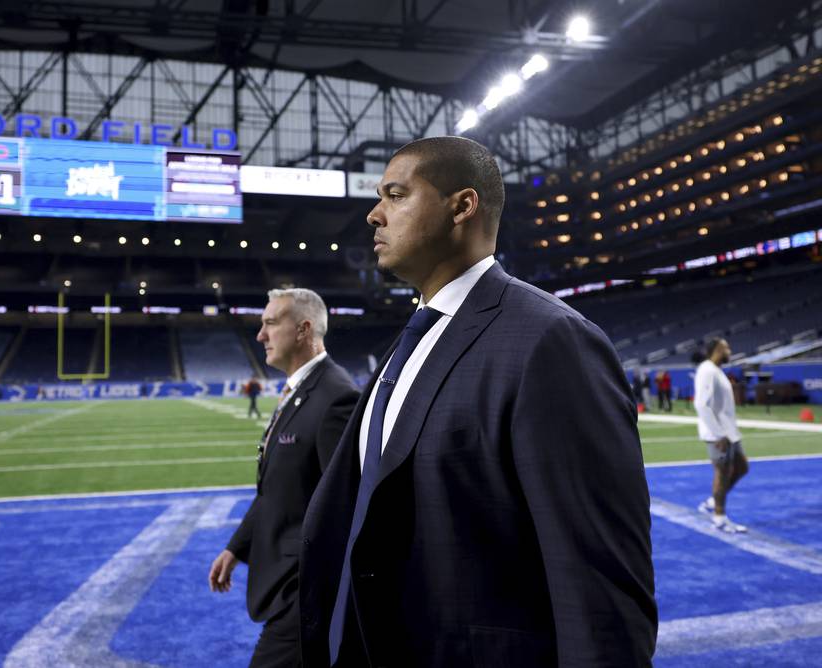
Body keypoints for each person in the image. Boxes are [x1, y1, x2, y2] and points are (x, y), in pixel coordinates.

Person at [299, 136, 657, 667]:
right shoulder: (416, 335)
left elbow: (597, 580)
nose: (374, 215)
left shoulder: (550, 340)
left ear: (462, 206)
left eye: (395, 195)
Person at [209, 288, 359, 667]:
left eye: (271, 323)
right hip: (284, 583)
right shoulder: (298, 392)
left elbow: (346, 506)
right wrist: (236, 547)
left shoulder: (335, 397)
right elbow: (276, 488)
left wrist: (318, 589)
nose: (260, 335)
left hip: (304, 590)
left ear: (303, 330)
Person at [694, 338, 749, 533]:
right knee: (722, 473)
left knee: (742, 467)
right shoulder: (707, 370)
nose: (730, 351)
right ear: (717, 350)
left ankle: (712, 502)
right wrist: (717, 434)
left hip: (728, 431)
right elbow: (701, 404)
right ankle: (719, 518)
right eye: (727, 348)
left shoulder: (716, 371)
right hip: (717, 433)